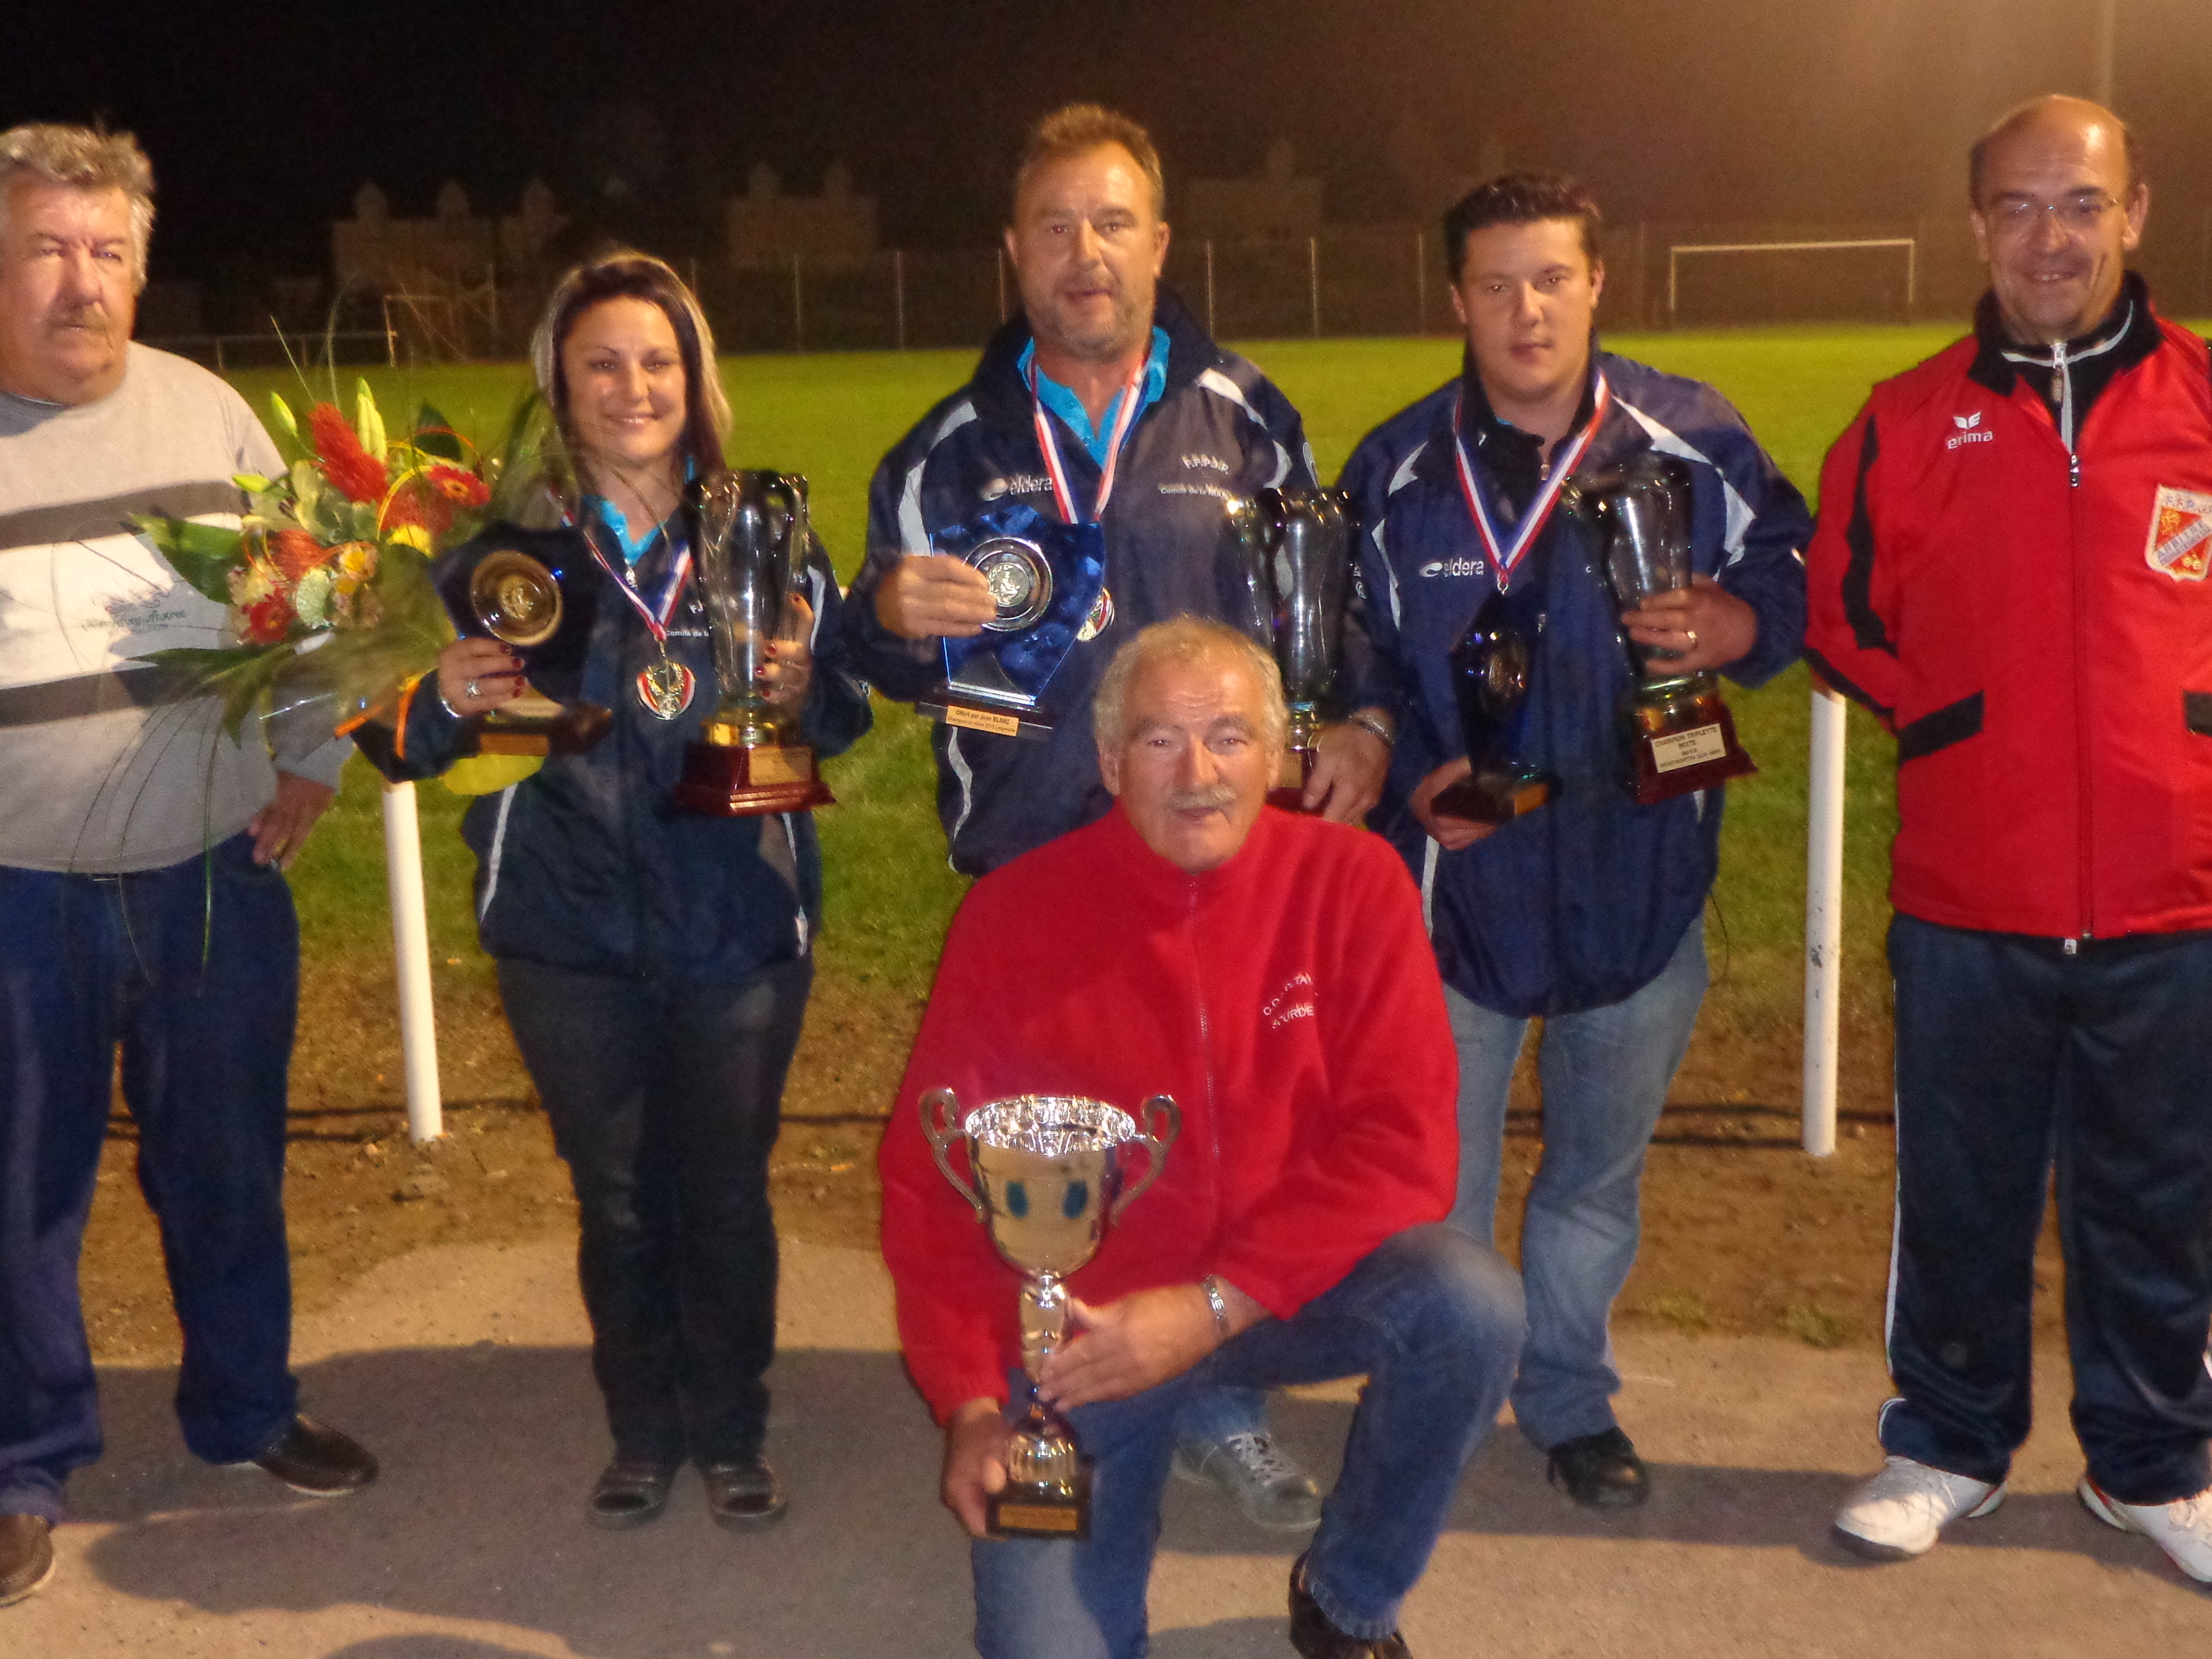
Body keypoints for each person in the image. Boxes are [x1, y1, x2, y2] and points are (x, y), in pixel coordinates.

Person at [840, 101, 1389, 1532]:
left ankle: (1210, 1388)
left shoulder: (1253, 415)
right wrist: (885, 620)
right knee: (1056, 1173)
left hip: (1219, 864)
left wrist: (1355, 726)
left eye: (1113, 222)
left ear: (1160, 240)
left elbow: (1315, 623)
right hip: (1035, 867)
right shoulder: (940, 454)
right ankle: (1050, 1407)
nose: (1087, 254)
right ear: (1014, 252)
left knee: (1218, 1140)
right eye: (1056, 227)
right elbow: (869, 661)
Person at [880, 618, 1523, 1659]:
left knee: (1468, 1301)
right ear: (1105, 762)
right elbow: (930, 1185)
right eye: (1158, 741)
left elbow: (1405, 1143)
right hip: (1086, 1340)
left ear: (1276, 757)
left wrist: (1215, 1305)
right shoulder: (1011, 916)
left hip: (1282, 1289)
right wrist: (966, 1401)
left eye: (1229, 737)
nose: (1197, 773)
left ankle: (1350, 1594)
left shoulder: (1354, 885)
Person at [359, 252, 871, 1531]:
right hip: (563, 932)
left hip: (740, 923)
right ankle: (644, 1430)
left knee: (727, 1188)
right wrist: (447, 700)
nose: (633, 386)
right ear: (561, 384)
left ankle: (735, 1427)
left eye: (659, 361)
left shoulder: (771, 532)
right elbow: (393, 736)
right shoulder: (496, 554)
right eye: (603, 363)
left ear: (696, 382)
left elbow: (847, 709)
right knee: (623, 1196)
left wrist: (819, 694)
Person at [1340, 172, 1809, 1510]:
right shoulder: (1395, 469)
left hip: (1642, 891)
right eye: (1496, 285)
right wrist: (1404, 757)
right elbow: (1351, 649)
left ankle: (1566, 1398)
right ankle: (1437, 1400)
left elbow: (1791, 559)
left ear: (1598, 283)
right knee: (1441, 1195)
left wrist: (1743, 625)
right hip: (1461, 897)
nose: (1525, 310)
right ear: (1457, 302)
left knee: (1595, 1188)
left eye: (1551, 278)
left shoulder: (1694, 439)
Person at [1807, 95, 2212, 1580]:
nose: (2054, 237)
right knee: (1962, 1187)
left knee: (2160, 1197)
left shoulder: (2204, 407)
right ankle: (1949, 1443)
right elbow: (1844, 618)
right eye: (2023, 208)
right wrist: (1964, 726)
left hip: (2178, 898)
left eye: (2083, 205)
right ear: (1978, 226)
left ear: (2136, 213)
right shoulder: (1907, 421)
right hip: (1973, 895)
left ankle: (2154, 1466)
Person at [0, 124, 376, 1611]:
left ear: (142, 267)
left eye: (106, 252)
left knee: (225, 1166)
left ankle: (243, 1413)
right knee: (19, 1191)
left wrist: (311, 759)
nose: (79, 283)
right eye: (44, 248)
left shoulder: (213, 418)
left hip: (209, 874)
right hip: (16, 887)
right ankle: (25, 1462)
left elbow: (315, 614)